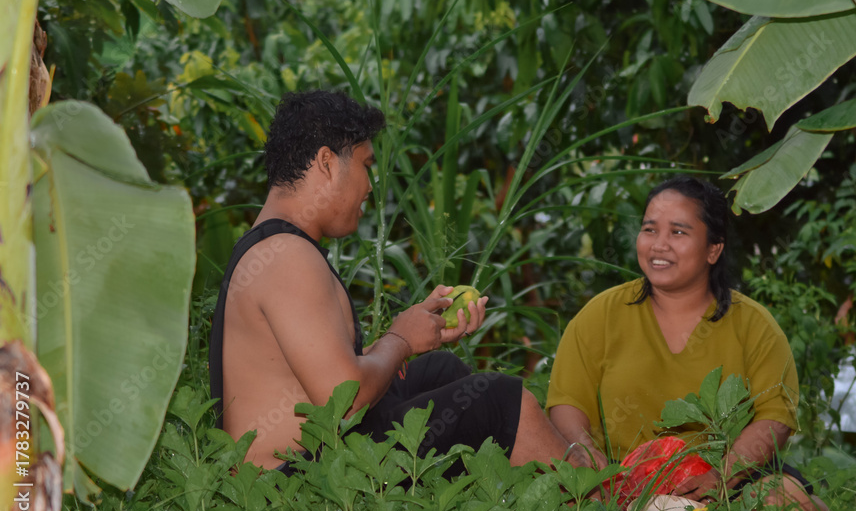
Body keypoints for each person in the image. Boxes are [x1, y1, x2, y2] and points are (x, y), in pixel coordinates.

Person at [209, 90, 591, 476]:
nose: (370, 186)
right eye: (365, 165)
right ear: (326, 162)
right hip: (286, 485)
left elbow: (316, 376)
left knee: (438, 370)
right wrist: (399, 340)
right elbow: (346, 400)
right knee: (499, 399)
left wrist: (416, 334)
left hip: (312, 458)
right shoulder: (288, 257)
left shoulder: (272, 246)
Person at [545, 176, 832, 511]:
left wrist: (723, 475)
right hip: (623, 487)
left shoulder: (754, 325)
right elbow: (567, 403)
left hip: (732, 483)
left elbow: (775, 418)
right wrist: (589, 461)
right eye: (650, 230)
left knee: (779, 500)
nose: (659, 245)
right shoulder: (601, 315)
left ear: (714, 249)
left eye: (678, 232)